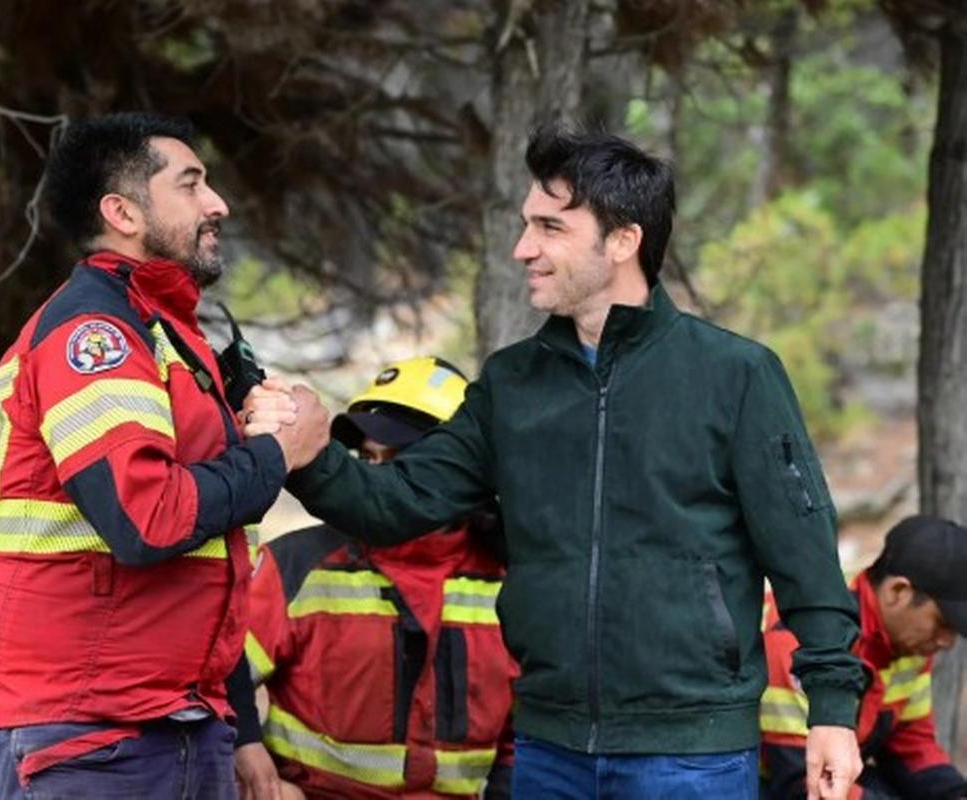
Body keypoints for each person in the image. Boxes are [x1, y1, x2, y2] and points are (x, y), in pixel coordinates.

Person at [249, 126, 868, 799]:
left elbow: (805, 557)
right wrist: (309, 457)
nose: (524, 248)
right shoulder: (512, 384)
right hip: (549, 752)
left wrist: (833, 712)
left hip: (690, 754)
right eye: (526, 225)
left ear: (623, 240)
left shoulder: (736, 375)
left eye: (550, 228)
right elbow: (396, 503)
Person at [0, 112, 329, 799]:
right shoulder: (94, 335)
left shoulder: (163, 331)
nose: (217, 203)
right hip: (93, 736)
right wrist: (278, 453)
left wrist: (240, 728)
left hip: (176, 720)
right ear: (123, 213)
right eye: (190, 184)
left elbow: (208, 559)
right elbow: (147, 520)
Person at [233, 357, 518, 800]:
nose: (373, 472)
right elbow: (217, 670)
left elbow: (524, 739)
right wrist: (245, 747)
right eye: (366, 457)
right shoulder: (297, 563)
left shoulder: (510, 579)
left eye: (399, 458)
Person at [761, 516, 967, 799]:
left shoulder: (910, 647)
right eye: (942, 623)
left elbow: (912, 748)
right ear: (898, 592)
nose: (947, 641)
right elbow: (804, 781)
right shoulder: (797, 635)